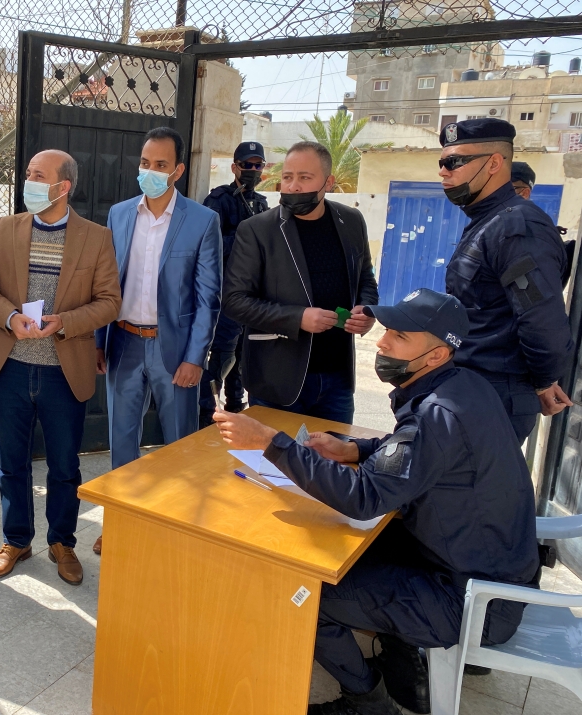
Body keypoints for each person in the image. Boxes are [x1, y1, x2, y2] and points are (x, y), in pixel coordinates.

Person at [213, 289, 540, 715]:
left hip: (472, 601)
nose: (382, 343)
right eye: (386, 330)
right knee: (340, 554)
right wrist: (357, 449)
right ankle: (401, 658)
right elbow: (422, 453)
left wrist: (271, 443)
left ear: (436, 355)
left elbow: (363, 497)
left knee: (301, 591)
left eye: (399, 336)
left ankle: (367, 701)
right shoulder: (465, 387)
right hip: (482, 568)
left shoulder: (438, 413)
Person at [0, 150, 121, 583]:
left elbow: (110, 302)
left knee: (64, 466)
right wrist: (10, 317)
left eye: (38, 175)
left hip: (63, 371)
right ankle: (16, 540)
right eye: (28, 174)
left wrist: (66, 322)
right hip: (11, 367)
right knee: (12, 464)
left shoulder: (96, 238)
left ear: (62, 186)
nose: (29, 182)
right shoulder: (7, 229)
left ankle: (62, 542)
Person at [93, 126, 221, 554]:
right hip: (124, 343)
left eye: (160, 165)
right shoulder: (119, 214)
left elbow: (208, 298)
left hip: (175, 350)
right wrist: (98, 341)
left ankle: (176, 526)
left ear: (178, 171)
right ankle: (121, 522)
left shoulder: (202, 221)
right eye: (145, 163)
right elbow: (105, 284)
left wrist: (195, 357)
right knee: (121, 440)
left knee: (180, 442)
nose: (150, 171)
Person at [222, 140, 379, 424]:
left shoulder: (352, 221)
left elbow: (365, 278)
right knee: (274, 455)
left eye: (304, 178)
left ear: (328, 182)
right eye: (287, 177)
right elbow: (235, 301)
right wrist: (297, 318)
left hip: (337, 380)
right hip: (277, 380)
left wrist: (367, 310)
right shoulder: (258, 230)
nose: (293, 186)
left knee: (335, 453)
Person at [440, 118, 575, 442]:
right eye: (441, 163)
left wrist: (543, 382)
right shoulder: (488, 221)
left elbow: (542, 321)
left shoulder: (517, 228)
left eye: (454, 162)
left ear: (494, 163)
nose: (443, 172)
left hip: (495, 397)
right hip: (472, 389)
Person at [197, 141, 270, 427]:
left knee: (244, 357)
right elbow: (208, 246)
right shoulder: (220, 200)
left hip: (254, 295)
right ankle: (206, 415)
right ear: (234, 167)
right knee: (222, 357)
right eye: (246, 165)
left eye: (257, 165)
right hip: (226, 294)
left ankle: (237, 408)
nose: (252, 170)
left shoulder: (261, 203)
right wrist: (245, 236)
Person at [511, 159, 575, 287]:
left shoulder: (531, 231)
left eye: (504, 189)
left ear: (524, 193)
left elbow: (532, 290)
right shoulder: (504, 224)